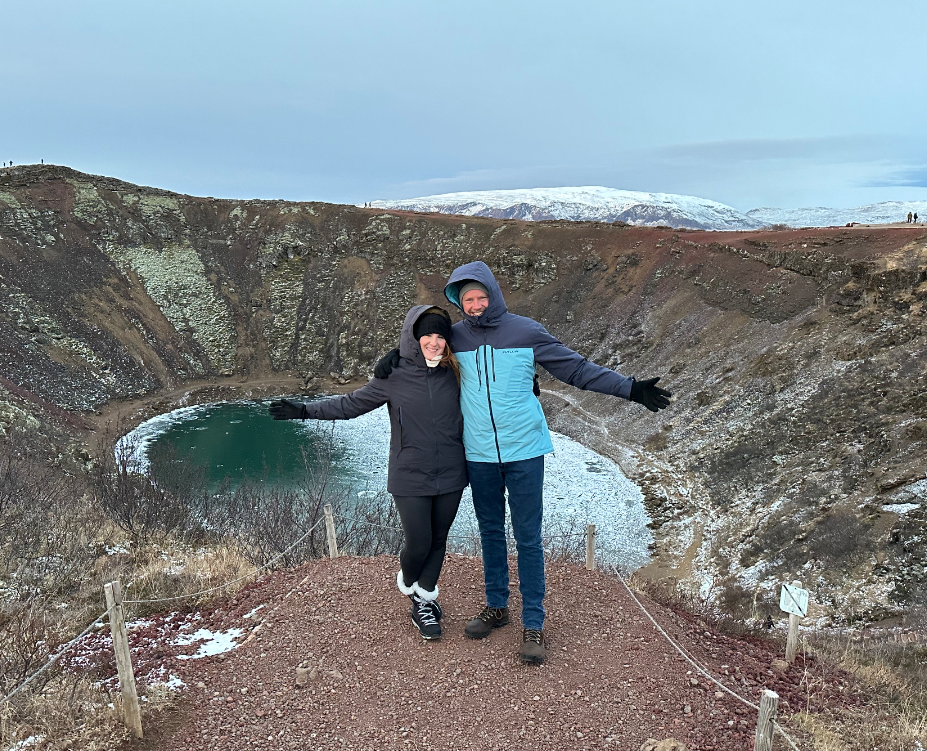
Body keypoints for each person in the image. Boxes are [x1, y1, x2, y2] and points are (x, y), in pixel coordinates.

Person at [375, 262, 671, 664]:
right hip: (478, 453)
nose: (476, 305)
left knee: (528, 536)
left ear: (494, 295)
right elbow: (425, 345)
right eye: (467, 300)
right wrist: (395, 356)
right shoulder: (456, 337)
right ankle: (497, 606)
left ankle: (533, 622)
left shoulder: (526, 331)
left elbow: (576, 369)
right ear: (458, 303)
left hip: (526, 450)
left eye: (481, 297)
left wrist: (630, 389)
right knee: (490, 532)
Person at [268, 305, 466, 641]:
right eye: (426, 336)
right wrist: (303, 411)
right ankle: (410, 583)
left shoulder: (458, 373)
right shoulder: (394, 376)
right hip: (409, 473)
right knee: (419, 542)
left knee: (439, 540)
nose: (434, 342)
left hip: (451, 471)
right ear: (414, 338)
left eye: (440, 336)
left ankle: (424, 599)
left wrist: (523, 386)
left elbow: (492, 387)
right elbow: (349, 405)